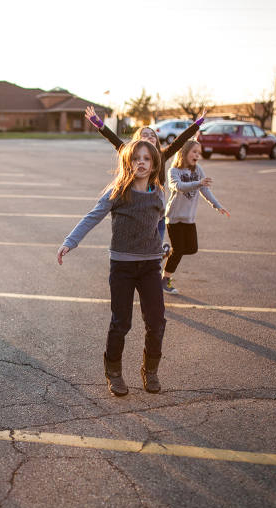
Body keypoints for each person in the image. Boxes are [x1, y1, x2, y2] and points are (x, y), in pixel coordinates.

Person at [57, 140, 167, 397]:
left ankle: (150, 371)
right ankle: (114, 372)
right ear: (128, 162)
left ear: (154, 165)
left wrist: (161, 244)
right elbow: (92, 216)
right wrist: (70, 242)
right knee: (121, 322)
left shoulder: (159, 193)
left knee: (157, 321)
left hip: (151, 265)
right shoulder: (118, 192)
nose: (141, 162)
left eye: (147, 159)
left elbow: (160, 221)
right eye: (136, 158)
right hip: (123, 267)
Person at [85, 107, 207, 245]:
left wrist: (197, 124)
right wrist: (99, 124)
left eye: (152, 135)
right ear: (138, 141)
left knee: (156, 243)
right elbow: (114, 140)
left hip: (156, 207)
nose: (150, 137)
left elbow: (181, 140)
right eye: (145, 135)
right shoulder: (129, 154)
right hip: (136, 206)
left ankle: (158, 253)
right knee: (138, 243)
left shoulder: (162, 155)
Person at [162, 140, 230, 294]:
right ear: (185, 152)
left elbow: (205, 190)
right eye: (194, 151)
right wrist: (198, 183)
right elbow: (178, 186)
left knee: (192, 248)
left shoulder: (197, 170)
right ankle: (165, 280)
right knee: (178, 250)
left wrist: (217, 205)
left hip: (189, 218)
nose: (197, 155)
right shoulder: (174, 171)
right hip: (174, 217)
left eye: (199, 153)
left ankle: (167, 252)